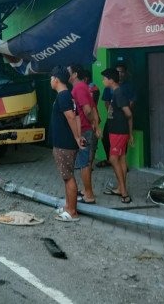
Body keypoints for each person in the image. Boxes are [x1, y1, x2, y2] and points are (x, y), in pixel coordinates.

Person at [49, 66, 86, 222]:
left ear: (56, 79)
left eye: (51, 78)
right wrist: (78, 136)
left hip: (64, 144)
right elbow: (77, 116)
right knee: (67, 176)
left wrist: (77, 137)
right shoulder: (67, 96)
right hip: (66, 142)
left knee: (68, 177)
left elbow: (71, 117)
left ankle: (72, 212)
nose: (50, 81)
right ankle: (67, 206)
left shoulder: (63, 96)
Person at [67, 64, 101, 205]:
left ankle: (89, 194)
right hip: (87, 129)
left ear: (75, 74)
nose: (66, 74)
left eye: (68, 72)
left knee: (84, 163)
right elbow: (92, 107)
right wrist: (96, 125)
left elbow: (87, 110)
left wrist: (92, 124)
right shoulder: (83, 87)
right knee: (84, 162)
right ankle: (85, 190)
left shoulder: (79, 88)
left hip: (85, 130)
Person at [101, 67, 134, 204]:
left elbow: (129, 114)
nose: (103, 81)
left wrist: (130, 133)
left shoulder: (119, 93)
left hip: (119, 132)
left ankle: (124, 192)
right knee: (121, 159)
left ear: (111, 80)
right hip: (117, 131)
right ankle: (120, 188)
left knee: (113, 159)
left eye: (104, 79)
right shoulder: (115, 93)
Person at [97, 62, 136, 168]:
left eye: (122, 72)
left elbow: (130, 105)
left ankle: (116, 162)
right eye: (118, 72)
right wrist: (112, 112)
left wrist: (122, 112)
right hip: (112, 119)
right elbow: (106, 102)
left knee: (120, 151)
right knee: (106, 138)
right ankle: (112, 160)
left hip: (121, 122)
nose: (120, 74)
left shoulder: (124, 89)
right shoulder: (110, 88)